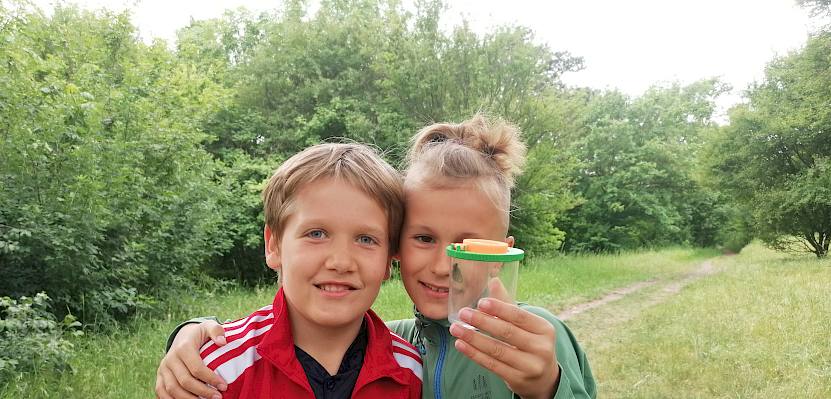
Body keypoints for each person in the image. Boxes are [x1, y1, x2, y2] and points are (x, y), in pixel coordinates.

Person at [156, 115, 597, 399]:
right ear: (397, 250)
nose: (445, 265)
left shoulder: (534, 335)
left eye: (468, 246)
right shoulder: (403, 345)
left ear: (502, 253)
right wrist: (192, 333)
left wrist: (546, 386)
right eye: (423, 238)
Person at [153, 143, 423, 399]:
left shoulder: (411, 371)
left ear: (389, 259)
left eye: (366, 239)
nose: (341, 262)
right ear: (274, 245)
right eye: (316, 234)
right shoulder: (215, 371)